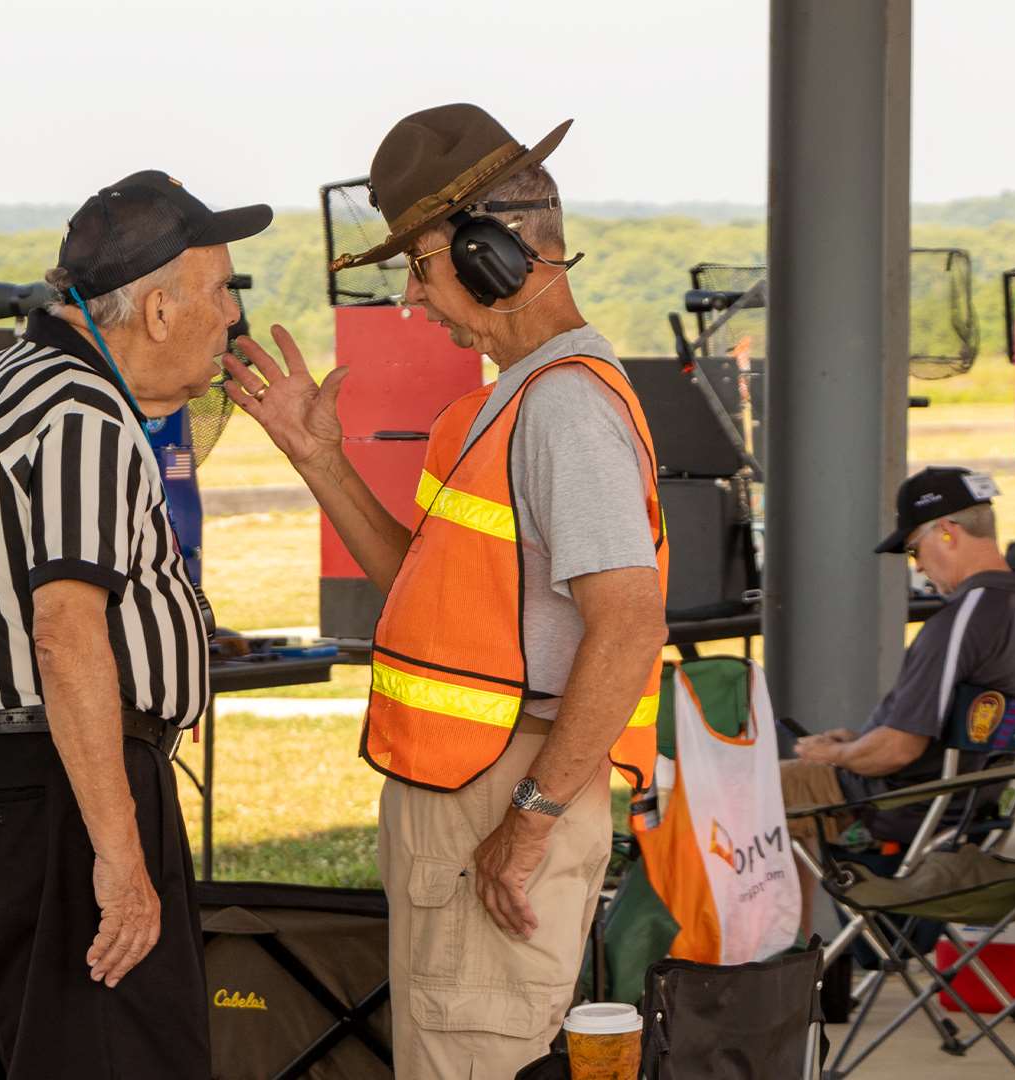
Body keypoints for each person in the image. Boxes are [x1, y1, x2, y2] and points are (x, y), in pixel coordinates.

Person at [224, 104, 668, 1077]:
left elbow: (629, 628)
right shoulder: (507, 406)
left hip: (506, 796)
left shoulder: (562, 411)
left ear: (492, 256)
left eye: (420, 268)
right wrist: (320, 458)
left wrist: (531, 822)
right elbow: (423, 594)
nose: (414, 302)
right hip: (478, 796)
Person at [0, 170, 268, 1079]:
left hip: (19, 776)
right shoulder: (81, 410)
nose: (233, 318)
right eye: (222, 289)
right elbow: (66, 632)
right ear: (156, 310)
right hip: (71, 782)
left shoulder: (2, 380)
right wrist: (118, 853)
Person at [781, 468, 1015, 927]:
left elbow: (897, 750)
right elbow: (960, 729)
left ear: (946, 531)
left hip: (900, 802)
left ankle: (771, 963)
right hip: (968, 800)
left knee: (727, 798)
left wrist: (838, 754)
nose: (918, 567)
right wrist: (855, 745)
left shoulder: (965, 618)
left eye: (914, 550)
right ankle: (792, 957)